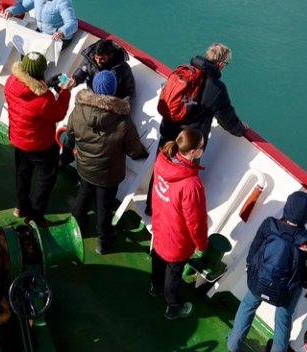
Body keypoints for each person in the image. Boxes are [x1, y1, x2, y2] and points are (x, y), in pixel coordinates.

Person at [146, 42, 245, 215]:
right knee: (181, 183)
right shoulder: (216, 89)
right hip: (188, 144)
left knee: (161, 174)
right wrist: (241, 130)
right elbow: (228, 120)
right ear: (221, 64)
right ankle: (171, 215)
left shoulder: (184, 73)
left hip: (167, 133)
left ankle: (150, 207)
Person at [226, 190, 307, 352]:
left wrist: (251, 268)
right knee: (283, 320)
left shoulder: (269, 224)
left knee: (248, 305)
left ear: (287, 207)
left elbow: (254, 249)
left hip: (259, 282)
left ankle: (233, 344)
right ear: (306, 215)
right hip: (286, 292)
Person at [67, 70, 147, 254]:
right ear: (114, 90)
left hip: (85, 166)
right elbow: (134, 151)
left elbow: (71, 132)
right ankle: (103, 243)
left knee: (84, 194)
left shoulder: (79, 108)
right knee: (104, 206)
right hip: (108, 175)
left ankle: (75, 225)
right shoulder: (123, 121)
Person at [3, 51, 72, 225]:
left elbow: (28, 92)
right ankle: (35, 214)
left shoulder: (11, 82)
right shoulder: (44, 99)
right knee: (47, 176)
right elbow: (58, 114)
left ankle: (20, 207)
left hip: (18, 139)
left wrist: (46, 85)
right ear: (42, 70)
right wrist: (65, 93)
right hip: (39, 145)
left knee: (23, 173)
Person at [149, 127, 207, 321]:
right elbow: (195, 220)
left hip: (160, 223)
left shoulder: (162, 160)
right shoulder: (191, 184)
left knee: (157, 257)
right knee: (173, 273)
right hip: (177, 237)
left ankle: (155, 287)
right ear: (193, 151)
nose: (202, 150)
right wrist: (201, 243)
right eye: (201, 147)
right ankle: (173, 305)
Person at [68, 36, 135, 100]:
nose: (98, 61)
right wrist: (75, 79)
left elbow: (129, 92)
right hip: (92, 96)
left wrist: (121, 105)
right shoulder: (90, 60)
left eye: (102, 59)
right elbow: (82, 71)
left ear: (110, 56)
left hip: (111, 101)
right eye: (96, 57)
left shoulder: (123, 68)